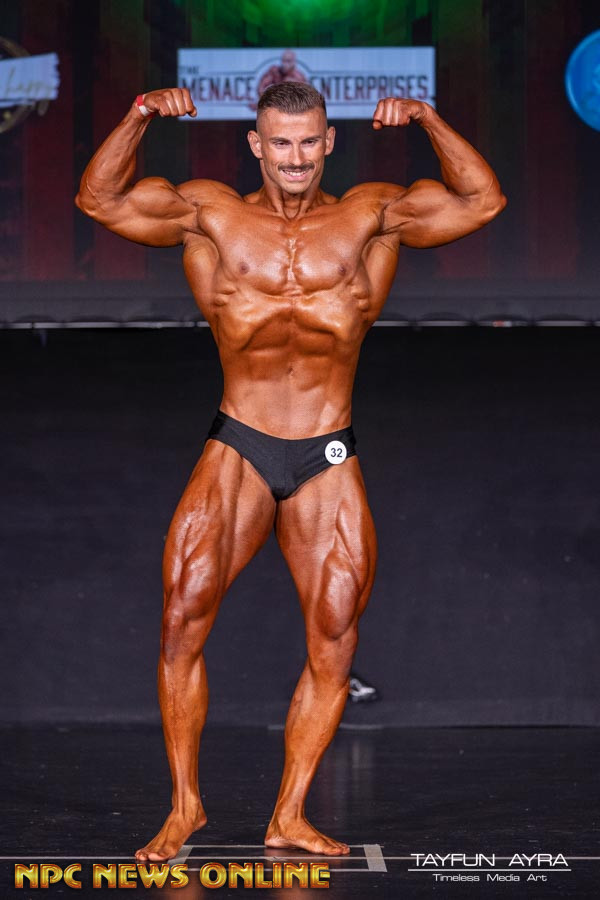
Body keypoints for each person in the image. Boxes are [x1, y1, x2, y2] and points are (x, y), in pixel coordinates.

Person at [76, 82, 506, 861]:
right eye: (281, 142)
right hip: (240, 439)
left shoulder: (372, 215)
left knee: (334, 635)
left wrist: (427, 118)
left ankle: (290, 815)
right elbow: (98, 200)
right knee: (182, 615)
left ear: (329, 143)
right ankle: (185, 807)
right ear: (257, 145)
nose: (296, 157)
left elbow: (483, 201)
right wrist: (139, 115)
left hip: (327, 450)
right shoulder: (210, 213)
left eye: (310, 141)